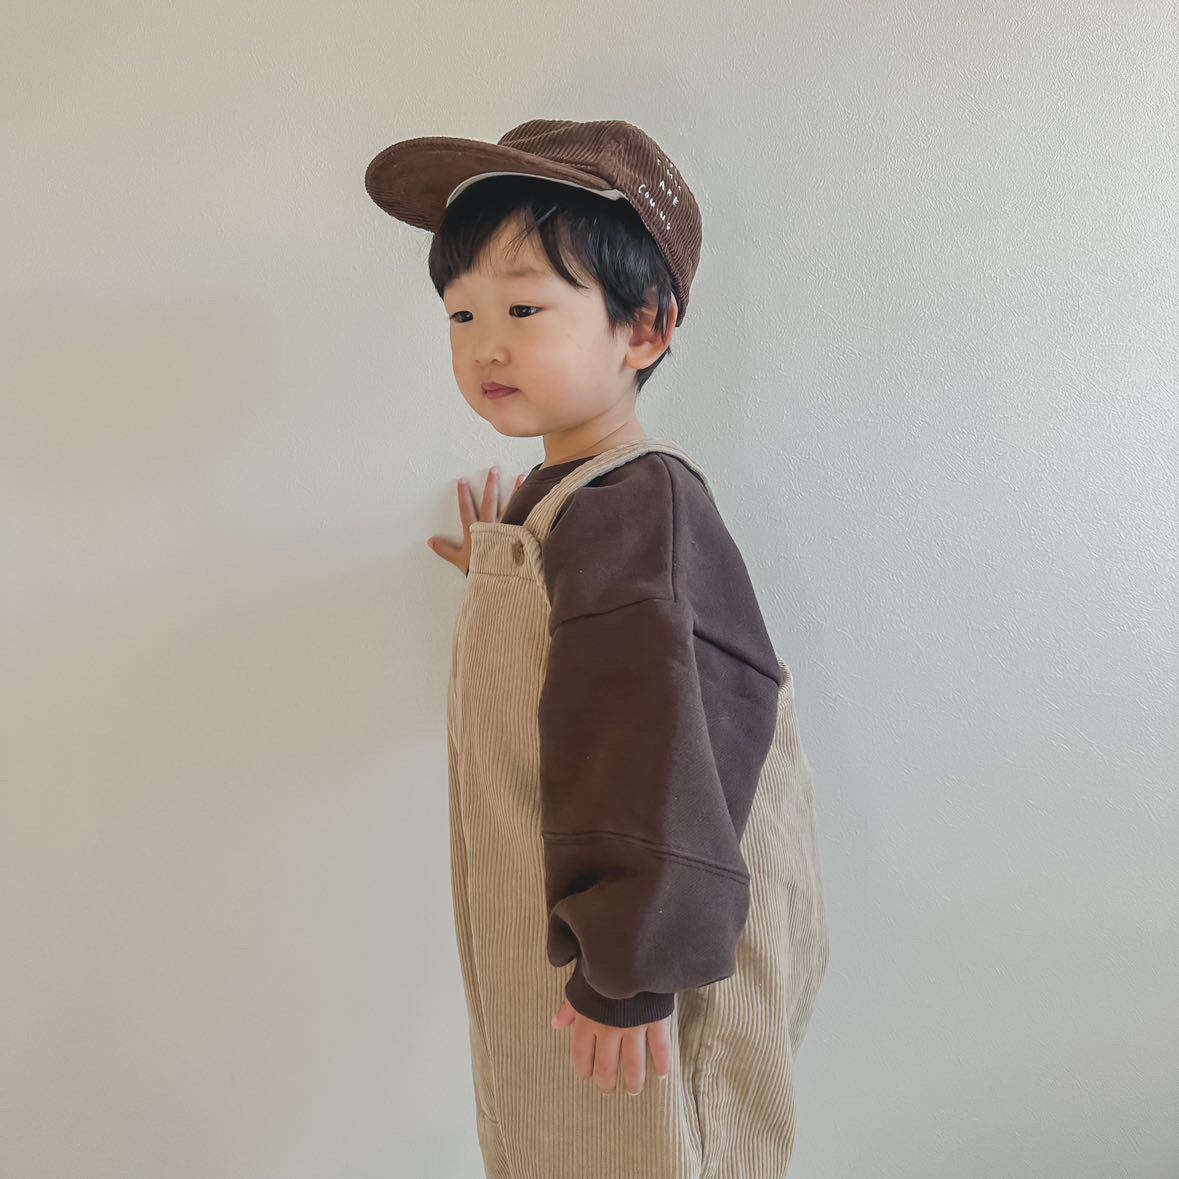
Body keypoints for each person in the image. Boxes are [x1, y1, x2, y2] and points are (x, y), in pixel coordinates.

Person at [364, 118, 829, 1178]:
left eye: (524, 308)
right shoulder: (579, 507)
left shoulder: (635, 507)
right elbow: (586, 653)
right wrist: (504, 570)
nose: (485, 343)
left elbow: (651, 734)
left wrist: (630, 970)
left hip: (633, 960)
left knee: (654, 1150)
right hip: (600, 941)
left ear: (646, 329)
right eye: (461, 313)